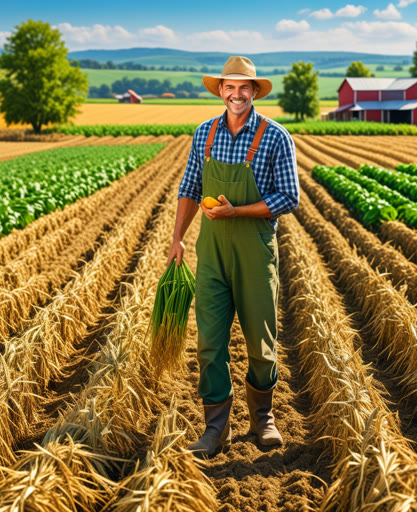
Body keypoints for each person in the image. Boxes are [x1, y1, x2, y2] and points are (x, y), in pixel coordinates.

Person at [167, 56, 299, 457]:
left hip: (255, 251)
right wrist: (177, 239)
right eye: (230, 87)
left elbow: (288, 197)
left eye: (245, 88)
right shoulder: (204, 133)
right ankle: (215, 428)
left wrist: (237, 211)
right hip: (211, 252)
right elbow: (190, 187)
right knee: (209, 341)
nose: (237, 94)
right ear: (220, 90)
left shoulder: (275, 137)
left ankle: (263, 418)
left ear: (254, 92)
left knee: (261, 341)